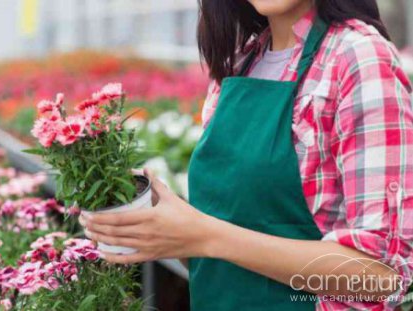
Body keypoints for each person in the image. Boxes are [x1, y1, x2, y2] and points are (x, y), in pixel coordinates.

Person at [79, 0, 413, 309]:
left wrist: (204, 235)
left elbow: (381, 276)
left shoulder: (357, 56)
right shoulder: (239, 64)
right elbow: (222, 254)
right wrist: (163, 224)